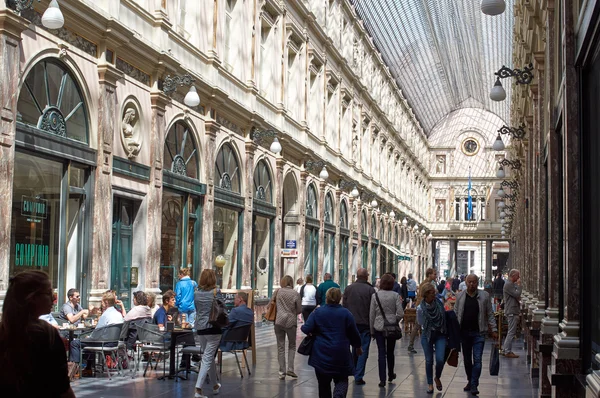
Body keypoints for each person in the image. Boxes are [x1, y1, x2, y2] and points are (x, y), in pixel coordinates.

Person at [0, 271, 76, 398]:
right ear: (32, 298)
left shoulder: (4, 332)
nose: (53, 298)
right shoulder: (46, 334)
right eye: (49, 293)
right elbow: (61, 386)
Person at [302, 288, 362, 398]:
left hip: (321, 354)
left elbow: (306, 328)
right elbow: (354, 333)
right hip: (341, 353)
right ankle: (339, 394)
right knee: (342, 379)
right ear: (340, 299)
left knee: (323, 385)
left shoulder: (318, 312)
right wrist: (358, 347)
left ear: (327, 298)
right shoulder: (346, 314)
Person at [454, 274, 498, 396]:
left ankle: (474, 384)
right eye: (469, 282)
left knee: (477, 360)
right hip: (464, 333)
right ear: (466, 282)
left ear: (477, 283)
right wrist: (454, 330)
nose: (472, 284)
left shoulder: (484, 296)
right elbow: (456, 313)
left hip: (479, 333)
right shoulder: (460, 296)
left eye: (474, 282)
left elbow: (490, 314)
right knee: (467, 360)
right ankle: (470, 380)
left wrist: (493, 329)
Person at [70, 290, 124, 374]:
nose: (101, 303)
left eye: (101, 301)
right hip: (114, 342)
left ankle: (75, 369)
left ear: (106, 302)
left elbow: (97, 332)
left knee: (75, 343)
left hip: (104, 343)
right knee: (88, 342)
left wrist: (89, 337)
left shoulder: (106, 315)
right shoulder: (118, 314)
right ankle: (88, 368)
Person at [342, 268, 376, 385]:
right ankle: (358, 375)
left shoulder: (349, 288)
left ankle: (353, 369)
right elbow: (373, 309)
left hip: (351, 324)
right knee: (364, 350)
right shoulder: (370, 290)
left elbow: (344, 306)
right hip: (365, 324)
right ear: (366, 276)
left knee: (354, 348)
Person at [369, 273, 403, 387]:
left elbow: (372, 314)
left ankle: (382, 379)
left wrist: (372, 330)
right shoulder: (395, 295)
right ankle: (390, 374)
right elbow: (401, 313)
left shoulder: (375, 296)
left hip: (379, 327)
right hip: (392, 327)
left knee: (381, 353)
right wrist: (394, 319)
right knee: (390, 352)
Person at [194, 269, 223, 398]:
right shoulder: (216, 292)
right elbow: (222, 308)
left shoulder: (196, 293)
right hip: (213, 327)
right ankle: (198, 389)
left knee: (208, 357)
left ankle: (215, 384)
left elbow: (197, 309)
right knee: (207, 358)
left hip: (200, 328)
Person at [417, 283, 447, 394]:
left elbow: (444, 317)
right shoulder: (420, 308)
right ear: (425, 295)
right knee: (429, 360)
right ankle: (430, 384)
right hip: (427, 334)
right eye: (431, 294)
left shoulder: (439, 303)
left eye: (434, 293)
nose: (434, 295)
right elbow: (420, 323)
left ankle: (437, 377)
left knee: (440, 359)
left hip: (440, 333)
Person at [273, 275, 302, 380]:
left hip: (279, 321)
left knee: (280, 347)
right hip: (290, 321)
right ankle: (290, 368)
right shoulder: (296, 293)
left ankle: (281, 372)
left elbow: (271, 304)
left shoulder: (278, 292)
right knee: (292, 345)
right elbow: (299, 310)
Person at [408, 268, 438, 353]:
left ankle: (413, 345)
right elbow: (422, 296)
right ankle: (411, 345)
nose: (435, 276)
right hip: (423, 307)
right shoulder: (426, 284)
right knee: (418, 325)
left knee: (421, 326)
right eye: (434, 274)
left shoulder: (428, 283)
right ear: (429, 275)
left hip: (424, 306)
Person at [502, 269, 522, 358]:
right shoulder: (508, 284)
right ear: (513, 275)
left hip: (512, 310)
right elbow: (517, 294)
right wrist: (519, 285)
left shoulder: (510, 284)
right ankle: (507, 351)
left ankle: (506, 349)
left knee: (511, 331)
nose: (519, 278)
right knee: (511, 332)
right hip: (511, 311)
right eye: (517, 276)